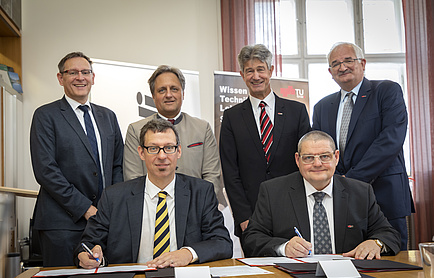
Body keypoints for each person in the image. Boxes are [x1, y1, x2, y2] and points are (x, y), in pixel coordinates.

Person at [76, 119, 232, 269]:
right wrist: (89, 255)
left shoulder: (201, 192)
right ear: (141, 153)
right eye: (153, 148)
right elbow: (87, 245)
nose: (162, 156)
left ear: (178, 151)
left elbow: (222, 243)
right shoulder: (114, 197)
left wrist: (188, 253)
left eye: (169, 148)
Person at [312, 42, 414, 250]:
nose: (342, 67)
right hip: (342, 199)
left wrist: (350, 181)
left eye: (348, 60)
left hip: (384, 193)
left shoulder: (386, 91)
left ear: (363, 63)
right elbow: (321, 150)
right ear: (330, 72)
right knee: (349, 260)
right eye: (336, 63)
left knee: (393, 262)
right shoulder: (322, 106)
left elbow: (390, 140)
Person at [243, 131, 401, 259]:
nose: (317, 164)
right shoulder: (273, 191)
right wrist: (284, 248)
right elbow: (252, 238)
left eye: (325, 156)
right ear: (298, 160)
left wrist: (377, 243)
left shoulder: (360, 192)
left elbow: (389, 234)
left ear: (336, 157)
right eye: (309, 158)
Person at [30, 52, 124, 267]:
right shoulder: (46, 115)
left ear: (93, 77)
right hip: (62, 224)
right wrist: (85, 208)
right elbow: (46, 170)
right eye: (72, 72)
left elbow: (117, 165)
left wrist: (111, 208)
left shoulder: (108, 116)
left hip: (103, 222)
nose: (80, 77)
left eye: (85, 72)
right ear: (60, 78)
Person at [219, 44, 311, 239]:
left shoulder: (297, 112)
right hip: (252, 216)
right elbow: (230, 171)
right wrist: (243, 217)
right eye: (249, 71)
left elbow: (306, 162)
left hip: (293, 210)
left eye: (261, 69)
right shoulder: (231, 117)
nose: (256, 76)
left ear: (270, 71)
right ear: (242, 75)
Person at [123, 65, 223, 201]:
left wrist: (199, 206)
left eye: (174, 89)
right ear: (153, 96)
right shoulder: (136, 130)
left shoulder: (202, 128)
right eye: (162, 90)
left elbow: (212, 176)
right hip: (152, 209)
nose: (168, 95)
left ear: (183, 93)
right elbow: (133, 178)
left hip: (196, 209)